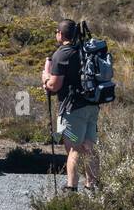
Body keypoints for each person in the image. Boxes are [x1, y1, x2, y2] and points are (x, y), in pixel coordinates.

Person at [42, 18, 100, 192]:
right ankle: (92, 185)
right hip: (92, 105)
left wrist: (45, 76)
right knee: (89, 147)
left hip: (73, 108)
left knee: (74, 148)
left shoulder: (62, 54)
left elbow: (54, 86)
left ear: (60, 34)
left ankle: (71, 187)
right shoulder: (84, 50)